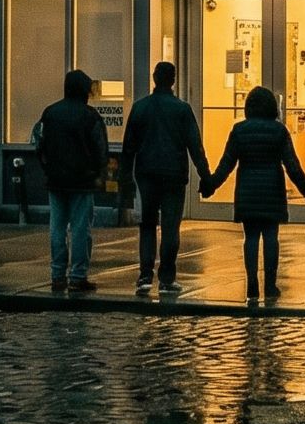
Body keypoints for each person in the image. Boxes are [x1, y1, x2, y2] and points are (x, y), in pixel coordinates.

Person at [202, 86, 305, 301]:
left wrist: (210, 186)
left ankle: (252, 283)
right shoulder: (279, 131)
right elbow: (293, 167)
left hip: (247, 190)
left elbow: (226, 165)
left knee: (251, 237)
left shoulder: (239, 130)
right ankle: (271, 284)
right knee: (271, 237)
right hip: (272, 190)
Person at [121, 61, 211, 294]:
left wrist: (125, 178)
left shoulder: (140, 108)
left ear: (154, 78)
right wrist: (206, 177)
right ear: (173, 80)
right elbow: (195, 147)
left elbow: (128, 147)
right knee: (171, 227)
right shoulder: (181, 109)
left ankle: (144, 276)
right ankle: (167, 278)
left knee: (148, 225)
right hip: (173, 174)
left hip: (147, 173)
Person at [35, 70, 111, 293]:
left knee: (57, 228)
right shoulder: (90, 116)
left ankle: (58, 276)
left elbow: (39, 144)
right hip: (82, 181)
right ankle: (78, 276)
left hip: (56, 180)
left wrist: (48, 169)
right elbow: (100, 149)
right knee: (80, 229)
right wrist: (99, 172)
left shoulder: (50, 113)